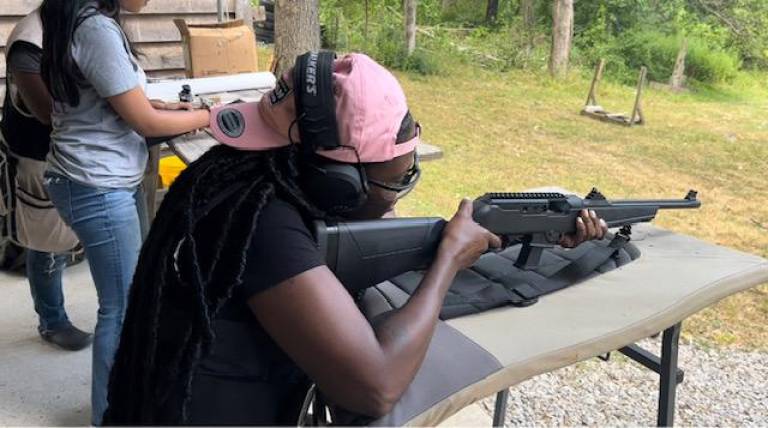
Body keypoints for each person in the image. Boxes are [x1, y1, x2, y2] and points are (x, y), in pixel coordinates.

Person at [103, 52, 607, 425]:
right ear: (336, 182)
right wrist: (449, 258)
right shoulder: (264, 224)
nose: (394, 202)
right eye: (391, 183)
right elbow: (375, 386)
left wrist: (527, 231)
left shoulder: (249, 176)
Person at [38, 0, 211, 424]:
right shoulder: (95, 28)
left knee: (132, 297)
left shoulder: (75, 18)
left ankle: (126, 402)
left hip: (86, 175)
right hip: (97, 184)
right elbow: (143, 123)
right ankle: (111, 417)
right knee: (122, 307)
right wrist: (212, 115)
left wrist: (173, 110)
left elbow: (117, 102)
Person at [0, 8, 91, 351]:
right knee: (46, 243)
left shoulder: (78, 25)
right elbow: (47, 113)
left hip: (78, 152)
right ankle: (52, 321)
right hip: (38, 158)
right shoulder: (29, 42)